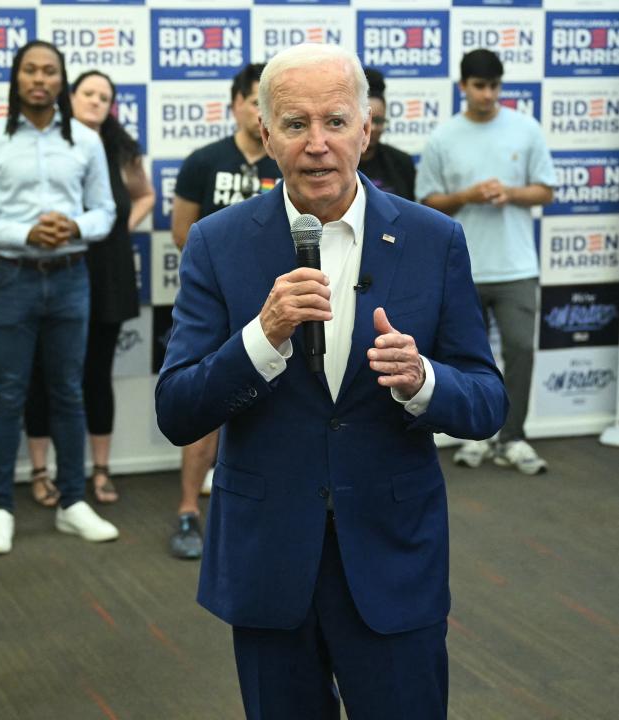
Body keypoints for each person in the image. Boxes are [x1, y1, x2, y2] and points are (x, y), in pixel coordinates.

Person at [155, 43, 508, 718]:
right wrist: (261, 336)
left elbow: (487, 401)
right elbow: (177, 410)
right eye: (294, 124)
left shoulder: (435, 241)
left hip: (392, 556)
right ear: (265, 135)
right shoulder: (216, 242)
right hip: (267, 562)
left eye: (335, 122)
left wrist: (422, 380)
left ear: (366, 129)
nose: (316, 144)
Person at [0, 40, 119, 555]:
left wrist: (74, 224)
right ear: (16, 78)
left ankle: (73, 503)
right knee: (8, 394)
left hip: (73, 275)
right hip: (14, 277)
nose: (40, 79)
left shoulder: (87, 142)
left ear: (61, 81)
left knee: (69, 392)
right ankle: (0, 508)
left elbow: (105, 213)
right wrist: (25, 233)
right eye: (30, 70)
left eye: (50, 71)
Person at [418, 49, 556, 476]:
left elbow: (546, 191)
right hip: (463, 270)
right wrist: (467, 196)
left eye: (495, 86)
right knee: (465, 360)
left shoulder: (526, 128)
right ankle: (473, 436)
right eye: (479, 86)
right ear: (463, 87)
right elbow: (428, 202)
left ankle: (513, 438)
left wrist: (510, 193)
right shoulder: (443, 137)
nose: (488, 94)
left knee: (520, 349)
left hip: (517, 266)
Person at [23, 69, 154, 506]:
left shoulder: (120, 148)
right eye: (89, 93)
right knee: (45, 372)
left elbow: (145, 195)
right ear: (70, 96)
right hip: (53, 266)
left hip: (108, 270)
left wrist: (119, 230)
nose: (97, 101)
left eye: (105, 96)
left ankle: (100, 471)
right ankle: (42, 472)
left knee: (96, 373)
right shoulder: (47, 146)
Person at [168, 63, 282, 560]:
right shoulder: (203, 160)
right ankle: (188, 512)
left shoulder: (287, 159)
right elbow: (181, 231)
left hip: (283, 305)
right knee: (205, 412)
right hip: (220, 302)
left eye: (267, 102)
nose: (258, 109)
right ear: (236, 103)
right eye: (252, 98)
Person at [359, 68, 416, 201]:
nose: (372, 128)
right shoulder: (340, 162)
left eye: (378, 121)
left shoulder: (402, 162)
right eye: (365, 121)